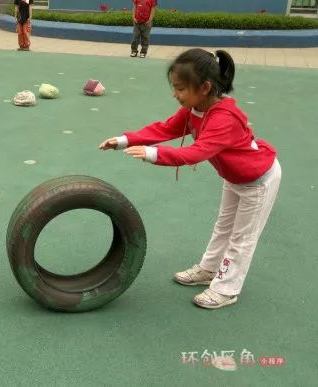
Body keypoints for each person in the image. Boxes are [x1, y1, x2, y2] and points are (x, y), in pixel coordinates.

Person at [99, 48, 281, 309]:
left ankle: (227, 288)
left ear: (205, 87)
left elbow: (197, 152)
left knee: (242, 237)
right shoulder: (195, 109)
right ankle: (209, 269)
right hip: (234, 177)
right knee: (223, 227)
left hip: (258, 180)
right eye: (174, 87)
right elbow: (165, 128)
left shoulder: (224, 118)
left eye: (181, 88)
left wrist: (153, 154)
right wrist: (123, 140)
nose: (175, 94)